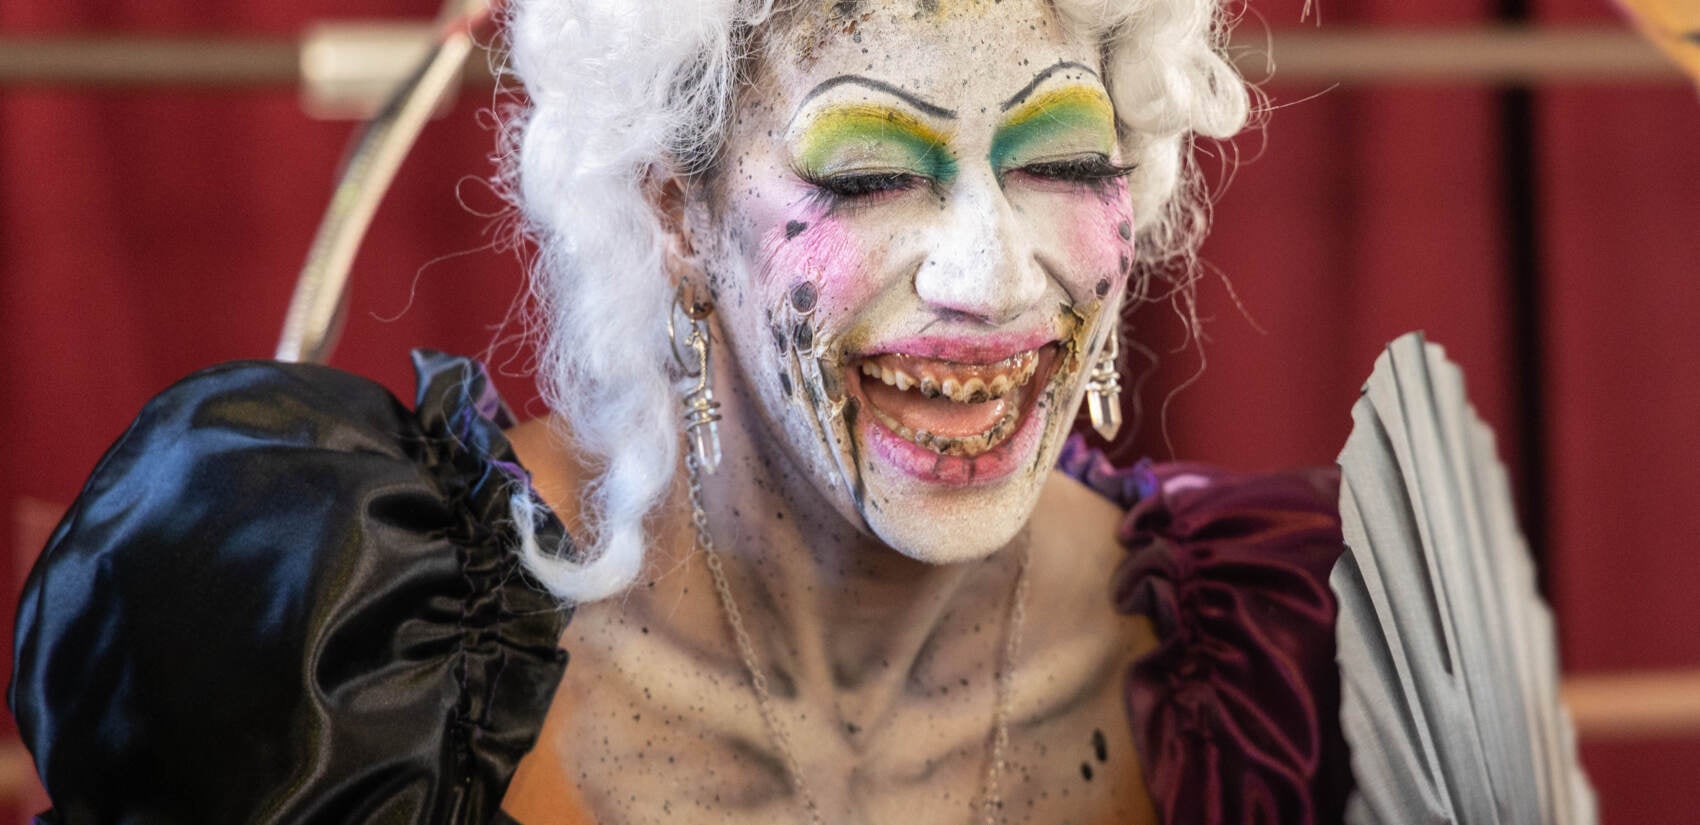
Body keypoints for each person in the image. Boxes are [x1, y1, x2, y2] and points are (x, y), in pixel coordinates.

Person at [11, 1, 1356, 823]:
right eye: (875, 170)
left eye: (1059, 157)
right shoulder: (341, 642)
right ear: (675, 210)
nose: (988, 277)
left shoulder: (1289, 670)